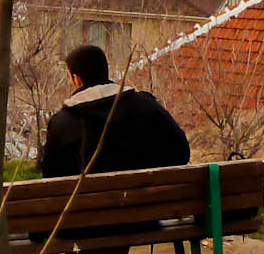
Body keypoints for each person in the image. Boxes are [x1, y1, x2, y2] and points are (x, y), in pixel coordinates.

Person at [39, 44, 191, 178]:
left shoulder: (62, 122)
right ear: (105, 72)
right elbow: (181, 153)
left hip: (87, 208)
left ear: (76, 79)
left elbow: (52, 174)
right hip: (149, 205)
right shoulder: (147, 106)